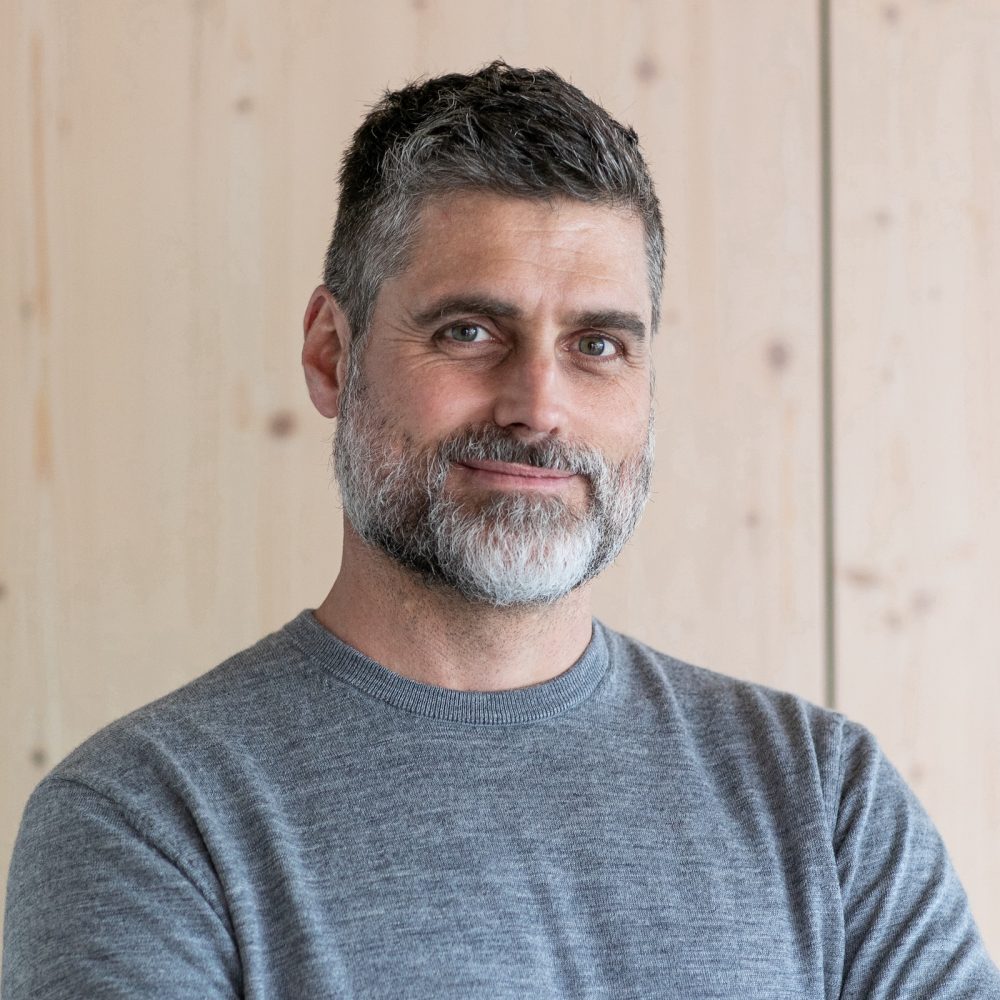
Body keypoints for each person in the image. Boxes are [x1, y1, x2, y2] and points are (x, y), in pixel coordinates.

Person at [3, 61, 998, 1000]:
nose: (537, 407)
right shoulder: (145, 819)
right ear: (331, 354)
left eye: (596, 344)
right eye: (470, 332)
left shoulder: (823, 800)